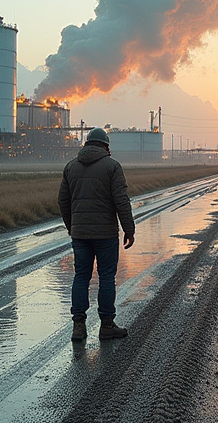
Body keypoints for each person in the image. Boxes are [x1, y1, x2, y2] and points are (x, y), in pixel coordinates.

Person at [59, 127, 136, 341]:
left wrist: (72, 226)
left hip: (80, 234)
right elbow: (121, 200)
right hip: (105, 234)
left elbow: (62, 201)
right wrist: (129, 229)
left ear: (86, 144)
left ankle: (78, 326)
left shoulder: (70, 167)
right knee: (106, 278)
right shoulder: (112, 167)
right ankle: (107, 326)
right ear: (106, 145)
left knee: (81, 276)